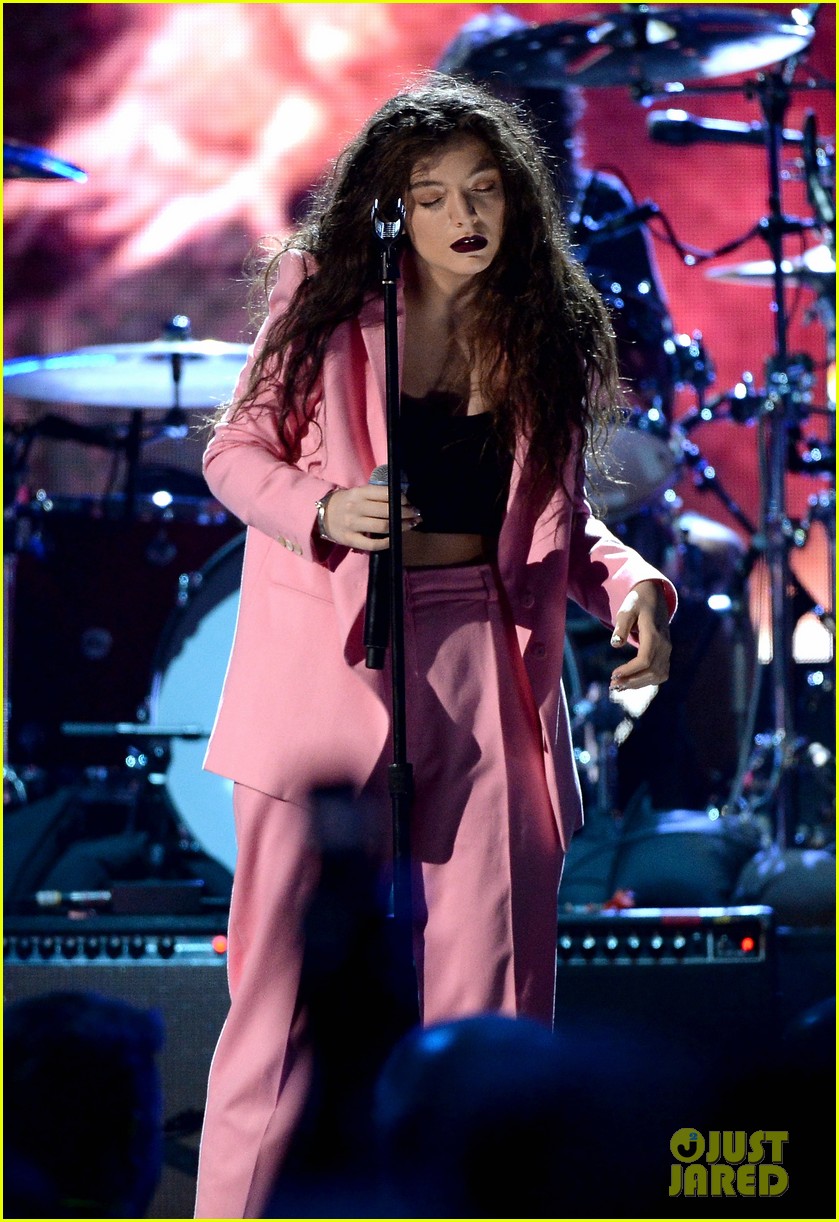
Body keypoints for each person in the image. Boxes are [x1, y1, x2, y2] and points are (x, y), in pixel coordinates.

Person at [193, 75, 675, 1219]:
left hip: (485, 655)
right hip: (332, 658)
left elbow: (557, 517)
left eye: (485, 191)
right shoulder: (320, 303)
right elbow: (234, 453)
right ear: (389, 211)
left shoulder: (542, 330)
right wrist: (320, 506)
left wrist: (628, 581)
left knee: (495, 986)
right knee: (281, 1001)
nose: (464, 215)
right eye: (431, 196)